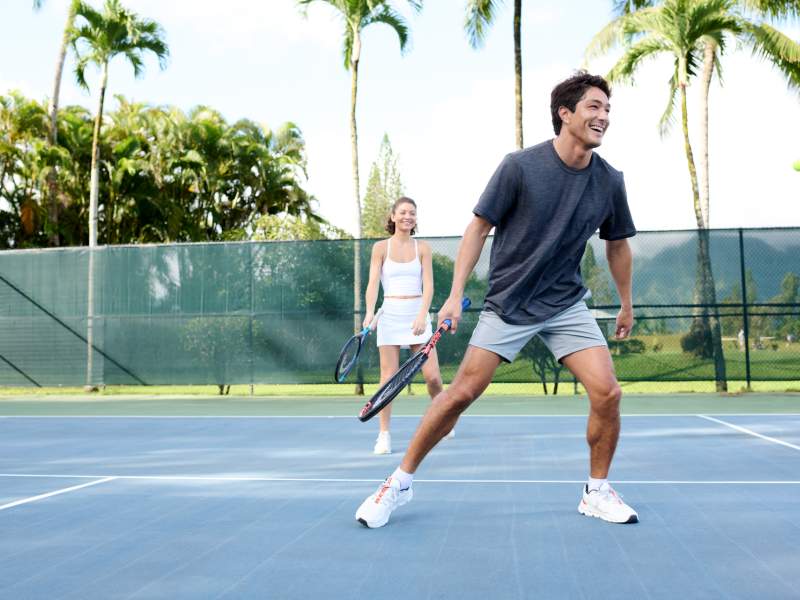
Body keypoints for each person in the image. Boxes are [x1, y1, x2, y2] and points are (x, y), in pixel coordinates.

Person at [356, 71, 638, 528]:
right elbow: (477, 228)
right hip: (509, 301)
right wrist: (454, 296)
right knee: (459, 393)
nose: (603, 116)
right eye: (593, 107)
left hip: (565, 303)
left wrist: (626, 303)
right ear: (565, 114)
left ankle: (597, 491)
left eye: (607, 109)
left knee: (607, 392)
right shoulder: (519, 167)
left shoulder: (609, 181)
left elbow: (618, 244)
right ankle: (397, 484)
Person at [362, 196, 453, 454]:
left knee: (433, 378)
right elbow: (372, 284)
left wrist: (422, 315)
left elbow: (429, 285)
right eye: (402, 212)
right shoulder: (380, 248)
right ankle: (384, 435)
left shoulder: (422, 248)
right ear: (392, 217)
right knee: (387, 379)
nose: (407, 216)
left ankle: (444, 421)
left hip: (417, 313)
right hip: (390, 314)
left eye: (412, 213)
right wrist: (370, 312)